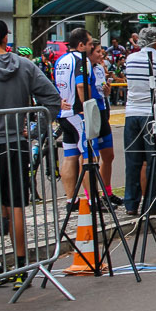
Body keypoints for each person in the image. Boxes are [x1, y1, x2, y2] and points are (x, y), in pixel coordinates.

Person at [0, 20, 60, 289]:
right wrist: (35, 130)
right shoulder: (25, 65)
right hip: (16, 144)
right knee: (17, 206)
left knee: (4, 205)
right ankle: (22, 266)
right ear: (6, 36)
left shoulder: (25, 65)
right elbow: (52, 99)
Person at [123, 27, 156, 216]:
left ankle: (130, 203)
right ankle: (152, 204)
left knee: (133, 160)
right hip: (153, 114)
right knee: (154, 160)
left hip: (131, 113)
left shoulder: (130, 59)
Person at [53, 27, 95, 213]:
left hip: (63, 114)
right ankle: (92, 200)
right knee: (89, 156)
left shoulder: (60, 60)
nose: (92, 46)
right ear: (80, 45)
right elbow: (80, 84)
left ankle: (71, 200)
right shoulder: (81, 60)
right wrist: (87, 109)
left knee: (70, 156)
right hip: (78, 115)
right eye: (90, 43)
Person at [85, 41, 121, 208]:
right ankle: (92, 196)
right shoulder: (83, 68)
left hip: (102, 110)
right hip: (89, 113)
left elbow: (103, 90)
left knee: (109, 155)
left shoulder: (100, 68)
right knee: (90, 158)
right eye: (98, 52)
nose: (101, 55)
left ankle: (108, 192)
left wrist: (107, 91)